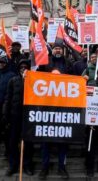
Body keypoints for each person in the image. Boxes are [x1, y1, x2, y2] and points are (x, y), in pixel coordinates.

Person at [38, 44, 72, 180]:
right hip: (48, 106)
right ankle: (44, 167)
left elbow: (75, 80)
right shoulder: (45, 62)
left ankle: (61, 167)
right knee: (45, 139)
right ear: (53, 50)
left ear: (63, 51)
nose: (58, 50)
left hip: (63, 107)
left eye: (60, 49)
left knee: (63, 139)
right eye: (56, 48)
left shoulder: (68, 63)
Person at [3, 59, 34, 176]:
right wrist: (6, 115)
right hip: (14, 115)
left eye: (25, 67)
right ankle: (13, 165)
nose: (23, 69)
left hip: (29, 116)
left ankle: (27, 165)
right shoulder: (13, 81)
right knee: (12, 141)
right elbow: (8, 98)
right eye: (21, 67)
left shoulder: (34, 81)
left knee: (28, 142)